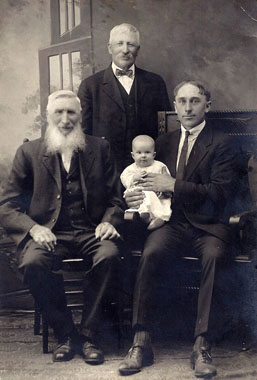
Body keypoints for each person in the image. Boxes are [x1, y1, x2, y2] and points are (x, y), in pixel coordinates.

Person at [118, 80, 237, 378]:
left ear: (207, 105)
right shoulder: (165, 142)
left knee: (213, 257)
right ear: (174, 106)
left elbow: (220, 194)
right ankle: (141, 340)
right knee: (152, 251)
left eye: (195, 101)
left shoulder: (222, 142)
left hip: (208, 225)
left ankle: (202, 344)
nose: (187, 107)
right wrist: (134, 195)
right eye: (182, 101)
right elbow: (143, 180)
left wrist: (173, 185)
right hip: (171, 222)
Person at [0, 90, 125, 364]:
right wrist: (33, 228)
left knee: (110, 256)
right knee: (32, 262)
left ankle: (89, 334)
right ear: (48, 116)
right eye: (59, 112)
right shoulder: (29, 152)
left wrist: (108, 220)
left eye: (71, 112)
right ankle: (66, 333)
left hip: (91, 230)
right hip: (49, 233)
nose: (65, 119)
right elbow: (7, 206)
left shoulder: (99, 148)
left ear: (80, 116)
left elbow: (117, 198)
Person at [78, 23, 171, 172]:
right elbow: (83, 134)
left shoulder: (155, 82)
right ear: (110, 48)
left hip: (148, 168)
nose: (125, 50)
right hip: (105, 169)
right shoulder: (90, 86)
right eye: (119, 44)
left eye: (131, 44)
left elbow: (166, 130)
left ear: (138, 50)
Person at [120, 135, 172, 230]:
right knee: (138, 206)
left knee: (161, 205)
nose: (143, 156)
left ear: (154, 155)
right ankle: (145, 217)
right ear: (133, 155)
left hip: (157, 195)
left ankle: (160, 219)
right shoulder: (131, 169)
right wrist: (134, 177)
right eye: (139, 152)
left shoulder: (159, 166)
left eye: (147, 152)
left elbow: (167, 180)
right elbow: (124, 178)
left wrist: (163, 190)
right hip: (138, 195)